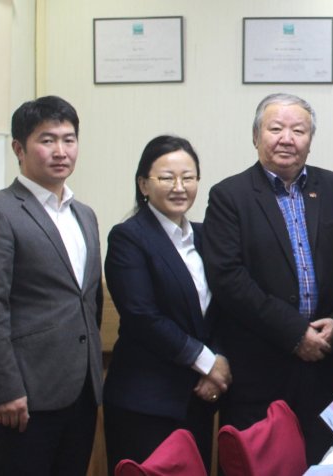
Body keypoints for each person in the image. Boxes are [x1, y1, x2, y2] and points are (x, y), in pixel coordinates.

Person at [203, 93, 333, 464]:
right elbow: (228, 279)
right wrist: (295, 333)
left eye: (298, 130)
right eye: (276, 129)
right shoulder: (229, 196)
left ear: (310, 140)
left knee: (328, 466)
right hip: (260, 370)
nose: (287, 138)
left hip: (327, 368)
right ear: (256, 136)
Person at [0, 95, 104, 475]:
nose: (61, 151)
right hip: (25, 395)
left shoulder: (84, 215)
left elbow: (87, 301)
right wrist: (5, 389)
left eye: (69, 139)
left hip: (82, 390)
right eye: (47, 140)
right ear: (19, 149)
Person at [103, 135, 229, 473]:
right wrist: (207, 362)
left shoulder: (205, 236)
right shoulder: (128, 237)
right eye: (166, 178)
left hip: (197, 399)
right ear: (143, 184)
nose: (179, 187)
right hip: (145, 403)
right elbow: (142, 316)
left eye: (188, 177)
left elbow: (221, 310)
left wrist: (217, 363)